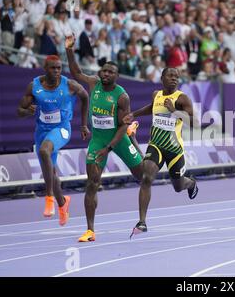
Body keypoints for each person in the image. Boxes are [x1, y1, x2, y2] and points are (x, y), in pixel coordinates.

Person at [65, 35, 145, 242]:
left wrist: (110, 147)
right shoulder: (94, 83)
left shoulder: (122, 96)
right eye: (105, 71)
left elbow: (121, 125)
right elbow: (76, 72)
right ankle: (90, 230)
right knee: (92, 183)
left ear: (117, 76)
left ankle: (133, 137)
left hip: (119, 138)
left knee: (143, 176)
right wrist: (69, 49)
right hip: (98, 140)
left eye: (111, 72)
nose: (106, 74)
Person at [124, 67, 199, 238]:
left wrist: (175, 111)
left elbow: (195, 122)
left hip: (174, 149)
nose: (174, 79)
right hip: (156, 145)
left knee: (178, 186)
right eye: (170, 76)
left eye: (177, 77)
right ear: (162, 78)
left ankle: (191, 183)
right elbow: (152, 108)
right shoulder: (156, 94)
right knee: (146, 177)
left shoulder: (182, 98)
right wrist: (133, 114)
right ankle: (142, 222)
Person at [17, 55, 89, 226]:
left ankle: (48, 198)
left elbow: (85, 97)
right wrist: (28, 112)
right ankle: (63, 204)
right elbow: (20, 110)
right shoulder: (34, 86)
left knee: (44, 150)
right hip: (42, 131)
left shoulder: (69, 85)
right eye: (52, 68)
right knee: (51, 174)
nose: (56, 71)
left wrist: (84, 125)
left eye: (58, 68)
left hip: (62, 129)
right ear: (45, 68)